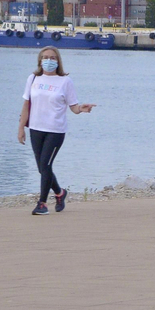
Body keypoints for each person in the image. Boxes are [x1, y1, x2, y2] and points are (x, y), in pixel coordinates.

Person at [17, 46, 95, 215]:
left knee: (46, 165)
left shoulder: (65, 81)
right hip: (36, 129)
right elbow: (26, 104)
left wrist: (82, 109)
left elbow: (73, 106)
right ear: (40, 60)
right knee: (42, 168)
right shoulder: (33, 78)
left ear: (58, 61)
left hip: (55, 131)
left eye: (52, 58)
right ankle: (60, 193)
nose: (49, 60)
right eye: (45, 57)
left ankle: (42, 204)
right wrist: (21, 128)